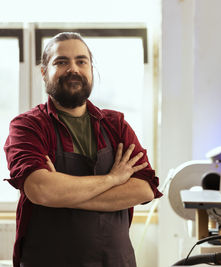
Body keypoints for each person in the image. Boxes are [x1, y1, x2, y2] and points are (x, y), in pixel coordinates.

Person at [4, 32, 162, 267]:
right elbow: (41, 190)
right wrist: (113, 179)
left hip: (115, 261)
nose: (73, 69)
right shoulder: (28, 126)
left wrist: (63, 195)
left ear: (90, 69)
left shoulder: (115, 125)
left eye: (81, 61)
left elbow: (144, 190)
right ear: (44, 71)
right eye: (61, 62)